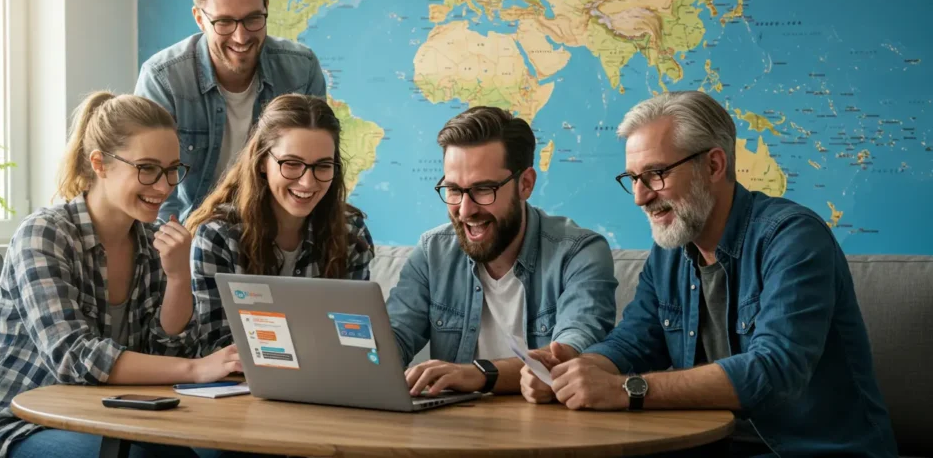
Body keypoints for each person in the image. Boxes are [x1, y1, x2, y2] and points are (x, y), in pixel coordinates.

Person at [521, 91, 897, 457]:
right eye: (633, 178)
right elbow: (633, 342)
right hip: (709, 444)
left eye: (655, 174)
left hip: (812, 449)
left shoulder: (794, 238)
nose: (640, 196)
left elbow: (776, 369)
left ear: (714, 165)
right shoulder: (670, 250)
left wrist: (625, 389)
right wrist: (574, 372)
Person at [0, 92, 241, 458]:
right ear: (100, 164)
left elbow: (162, 356)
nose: (165, 185)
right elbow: (73, 357)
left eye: (173, 169)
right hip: (16, 425)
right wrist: (197, 369)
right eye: (148, 168)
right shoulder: (44, 234)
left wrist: (179, 279)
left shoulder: (153, 242)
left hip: (107, 417)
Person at [384, 106, 617, 398]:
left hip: (550, 431)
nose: (465, 210)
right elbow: (393, 337)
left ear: (526, 184)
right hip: (454, 428)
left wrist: (479, 374)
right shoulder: (432, 253)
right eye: (454, 190)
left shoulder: (580, 253)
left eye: (483, 189)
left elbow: (570, 356)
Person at [136, 0, 327, 223]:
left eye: (252, 19)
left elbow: (315, 167)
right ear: (200, 19)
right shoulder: (163, 78)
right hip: (190, 232)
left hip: (273, 229)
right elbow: (151, 187)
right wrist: (174, 252)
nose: (241, 36)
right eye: (224, 22)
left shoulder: (301, 69)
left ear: (266, 8)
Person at [187, 94, 374, 356]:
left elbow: (355, 341)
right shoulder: (217, 235)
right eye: (292, 164)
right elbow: (214, 345)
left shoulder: (351, 232)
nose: (307, 183)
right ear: (263, 161)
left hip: (325, 383)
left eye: (322, 166)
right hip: (242, 387)